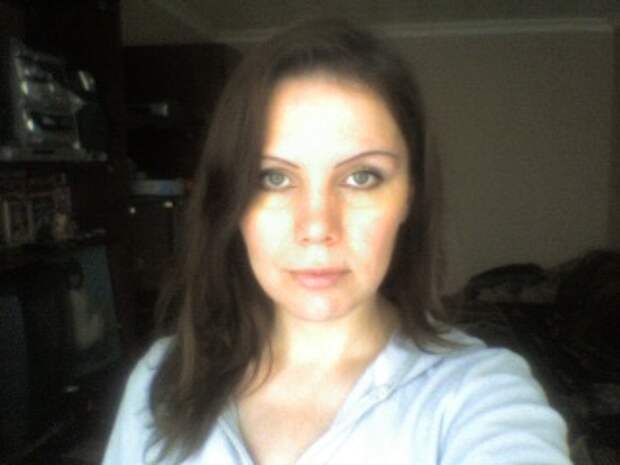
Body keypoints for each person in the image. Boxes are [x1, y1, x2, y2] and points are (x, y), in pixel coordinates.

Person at [102, 18, 572, 465]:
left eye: (361, 177)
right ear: (233, 202)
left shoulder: (480, 394)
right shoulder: (160, 380)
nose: (316, 226)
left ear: (410, 195)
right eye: (273, 178)